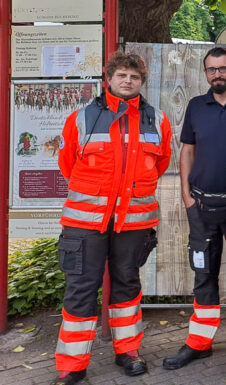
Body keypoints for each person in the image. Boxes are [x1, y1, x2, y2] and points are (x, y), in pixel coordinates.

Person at [52, 52, 172, 385]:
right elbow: (67, 163)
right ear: (109, 79)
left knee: (127, 286)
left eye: (134, 76)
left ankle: (128, 352)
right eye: (121, 75)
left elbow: (160, 163)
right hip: (85, 221)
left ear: (141, 82)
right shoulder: (81, 118)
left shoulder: (157, 120)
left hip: (132, 222)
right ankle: (71, 365)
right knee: (80, 290)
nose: (127, 81)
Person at [163, 47, 226, 371]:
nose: (217, 74)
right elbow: (187, 152)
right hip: (203, 206)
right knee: (203, 273)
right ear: (205, 73)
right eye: (211, 69)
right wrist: (187, 199)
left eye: (222, 68)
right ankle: (199, 342)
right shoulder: (195, 106)